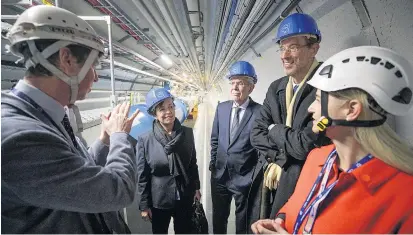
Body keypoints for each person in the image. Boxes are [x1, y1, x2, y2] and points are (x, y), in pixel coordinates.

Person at [1, 5, 140, 234]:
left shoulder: (43, 115)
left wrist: (104, 142)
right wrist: (119, 135)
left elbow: (74, 173)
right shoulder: (20, 137)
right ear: (66, 59)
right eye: (93, 65)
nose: (95, 76)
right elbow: (118, 190)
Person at [252, 46, 413, 234]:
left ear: (352, 110)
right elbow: (296, 204)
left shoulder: (404, 195)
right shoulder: (316, 158)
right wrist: (280, 219)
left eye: (319, 100)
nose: (311, 108)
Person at [248, 13, 330, 226]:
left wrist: (274, 129)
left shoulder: (327, 88)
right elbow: (256, 133)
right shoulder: (276, 87)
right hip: (271, 180)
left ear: (314, 48)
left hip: (304, 184)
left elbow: (307, 145)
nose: (285, 55)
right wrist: (280, 158)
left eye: (293, 47)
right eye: (282, 48)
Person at [137, 88, 202, 234]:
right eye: (162, 109)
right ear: (154, 114)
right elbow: (143, 175)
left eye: (171, 106)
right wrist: (144, 204)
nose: (168, 112)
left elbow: (192, 164)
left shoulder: (187, 133)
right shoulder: (145, 140)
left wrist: (196, 187)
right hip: (159, 199)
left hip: (185, 195)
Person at [210, 61, 262, 234]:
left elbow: (261, 148)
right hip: (219, 176)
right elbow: (215, 139)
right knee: (219, 219)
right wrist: (213, 164)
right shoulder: (221, 108)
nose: (235, 87)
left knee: (243, 222)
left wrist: (253, 175)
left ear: (251, 87)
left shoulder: (259, 112)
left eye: (240, 83)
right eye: (232, 82)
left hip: (244, 178)